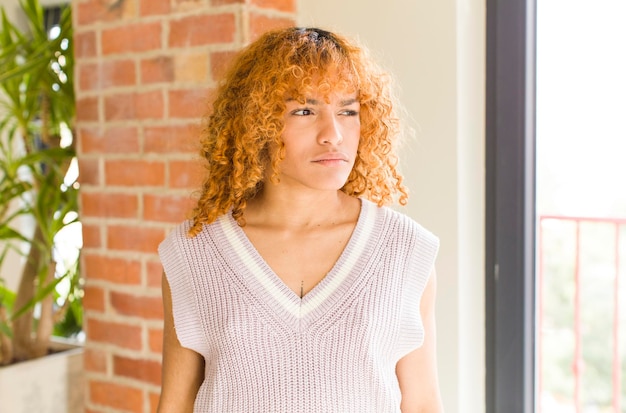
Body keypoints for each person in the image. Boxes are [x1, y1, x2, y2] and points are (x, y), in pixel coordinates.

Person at [157, 27, 443, 413]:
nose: (334, 134)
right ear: (256, 123)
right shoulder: (194, 254)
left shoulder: (407, 251)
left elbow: (423, 404)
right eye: (304, 111)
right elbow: (174, 405)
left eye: (348, 110)